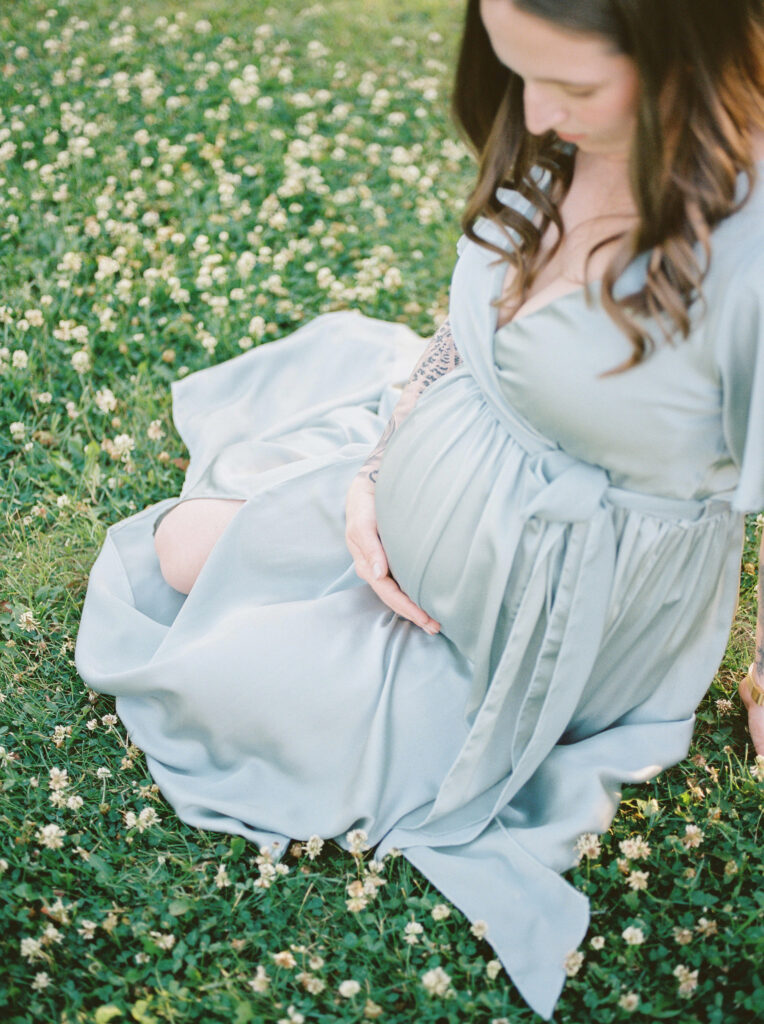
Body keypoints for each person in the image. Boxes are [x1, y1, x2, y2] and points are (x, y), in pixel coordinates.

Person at [75, 0, 764, 1017]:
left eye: (571, 86)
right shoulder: (552, 128)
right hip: (434, 483)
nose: (533, 112)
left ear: (684, 52)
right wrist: (377, 471)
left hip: (542, 621)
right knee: (181, 553)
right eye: (513, 70)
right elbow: (465, 322)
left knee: (203, 634)